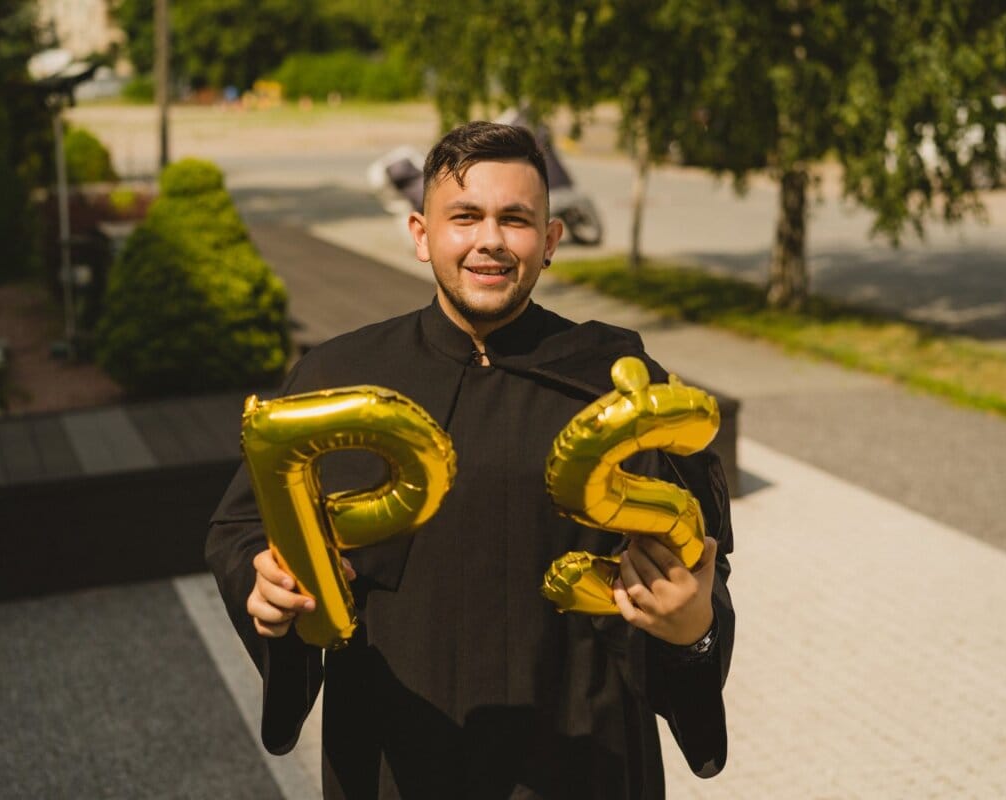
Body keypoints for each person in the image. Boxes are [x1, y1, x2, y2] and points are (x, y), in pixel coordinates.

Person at [206, 121, 734, 799]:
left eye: (515, 220)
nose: (490, 239)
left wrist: (694, 631)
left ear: (549, 242)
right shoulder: (339, 378)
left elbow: (700, 567)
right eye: (465, 217)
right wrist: (265, 586)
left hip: (580, 761)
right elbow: (240, 529)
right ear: (422, 235)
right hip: (397, 757)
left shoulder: (617, 385)